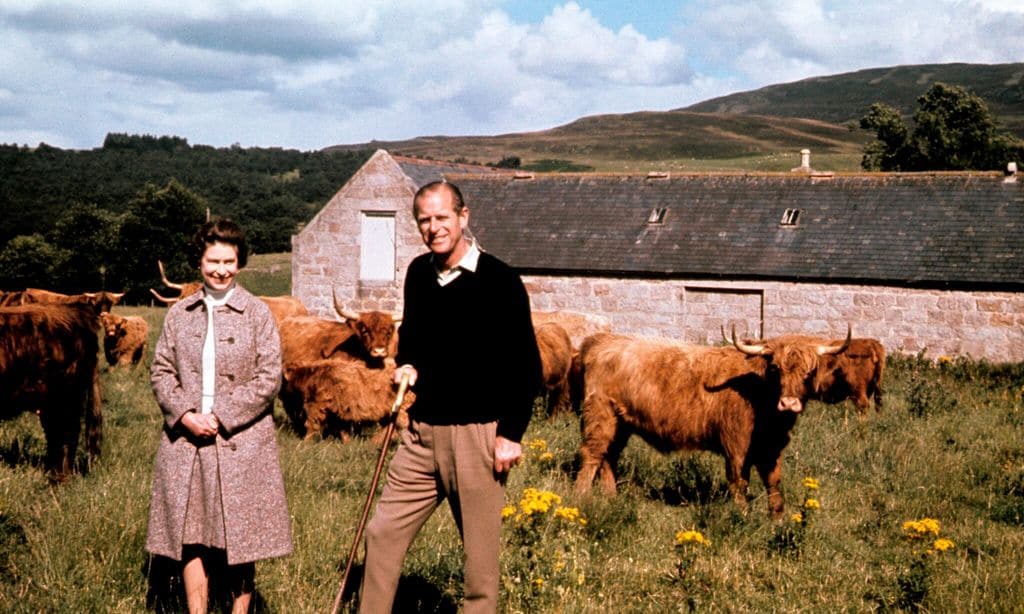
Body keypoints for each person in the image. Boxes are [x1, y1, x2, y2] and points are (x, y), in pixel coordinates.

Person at [358, 181, 542, 613]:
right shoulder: (419, 275)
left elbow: (526, 367)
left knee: (479, 569)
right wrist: (408, 365)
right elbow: (416, 343)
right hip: (421, 436)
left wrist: (510, 434)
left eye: (442, 217)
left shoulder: (500, 280)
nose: (433, 227)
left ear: (463, 217)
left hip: (477, 438)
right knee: (381, 534)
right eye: (424, 219)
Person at [146, 219, 292, 613]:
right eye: (213, 261)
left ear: (240, 264)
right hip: (187, 442)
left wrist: (221, 415)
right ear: (200, 262)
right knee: (191, 535)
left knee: (240, 535)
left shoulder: (258, 314)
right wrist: (185, 414)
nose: (221, 269)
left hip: (241, 442)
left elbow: (268, 378)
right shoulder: (180, 315)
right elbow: (160, 371)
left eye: (229, 261)